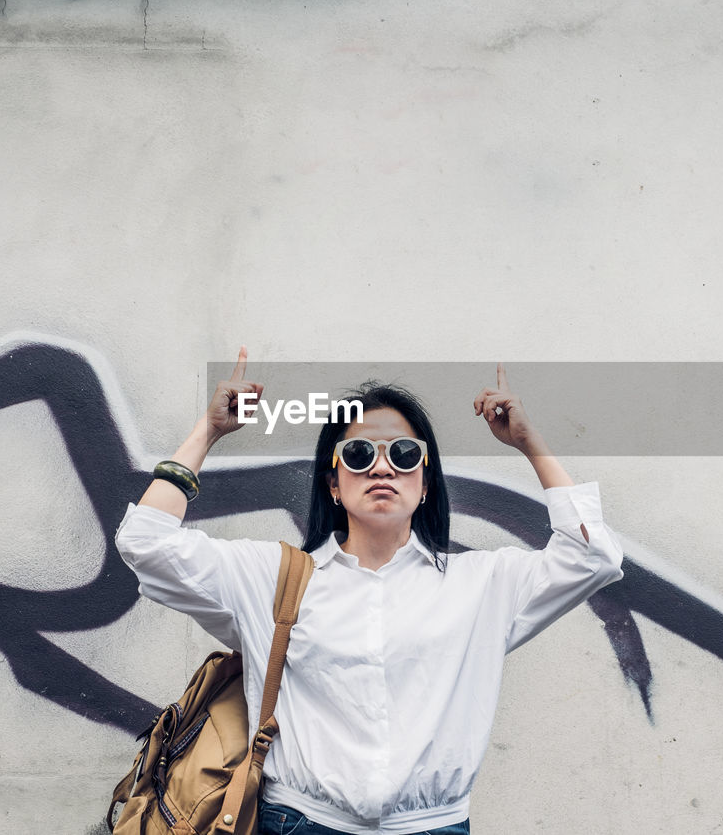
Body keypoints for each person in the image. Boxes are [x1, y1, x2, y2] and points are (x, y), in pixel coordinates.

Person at [114, 348, 625, 835]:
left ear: (425, 483)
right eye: (359, 453)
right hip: (299, 824)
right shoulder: (269, 577)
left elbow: (593, 557)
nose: (383, 467)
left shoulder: (483, 585)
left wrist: (529, 442)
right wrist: (209, 430)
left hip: (433, 828)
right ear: (333, 483)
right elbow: (145, 542)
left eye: (404, 453)